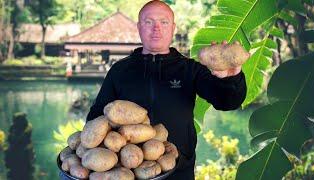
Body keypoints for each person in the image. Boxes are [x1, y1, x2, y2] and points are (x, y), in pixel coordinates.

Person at [86, 0, 247, 179]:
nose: (157, 28)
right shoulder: (119, 71)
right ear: (139, 27)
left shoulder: (190, 69)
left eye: (164, 22)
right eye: (149, 22)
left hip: (179, 169)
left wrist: (231, 77)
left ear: (173, 28)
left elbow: (227, 102)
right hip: (129, 170)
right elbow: (97, 116)